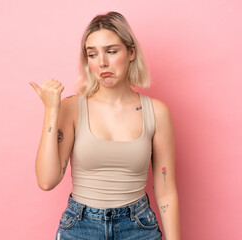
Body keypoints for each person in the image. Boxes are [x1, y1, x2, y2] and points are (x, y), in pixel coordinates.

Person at [30, 11, 180, 240]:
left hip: (138, 227)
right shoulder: (71, 108)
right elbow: (47, 180)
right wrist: (52, 110)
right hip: (81, 227)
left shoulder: (157, 112)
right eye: (92, 54)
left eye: (111, 51)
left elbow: (166, 189)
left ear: (131, 52)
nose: (102, 63)